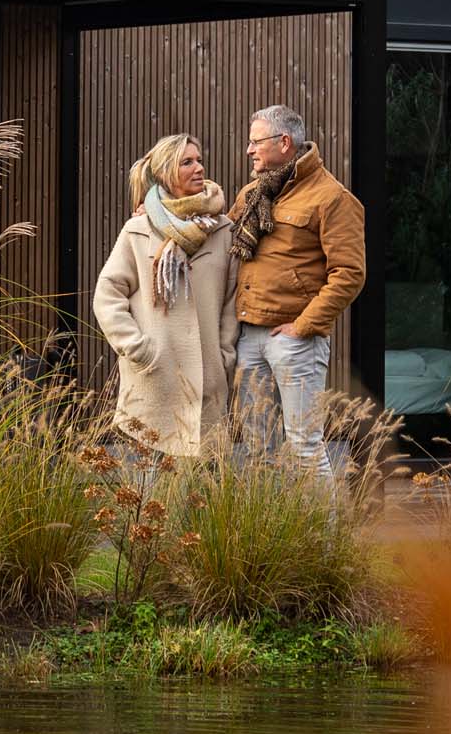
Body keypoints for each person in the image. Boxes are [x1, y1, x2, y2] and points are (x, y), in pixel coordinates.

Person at [230, 103, 365, 477]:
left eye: (256, 142)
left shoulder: (331, 198)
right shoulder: (254, 193)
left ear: (284, 142)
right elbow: (218, 234)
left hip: (295, 338)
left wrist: (303, 326)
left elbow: (349, 273)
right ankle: (270, 534)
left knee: (304, 446)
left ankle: (324, 537)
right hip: (249, 334)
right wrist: (156, 212)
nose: (250, 150)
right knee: (258, 450)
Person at [91, 132, 240, 455]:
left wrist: (224, 356)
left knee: (203, 494)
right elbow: (108, 294)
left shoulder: (223, 230)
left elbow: (230, 301)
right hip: (156, 379)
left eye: (199, 160)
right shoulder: (138, 229)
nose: (199, 167)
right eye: (187, 162)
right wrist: (138, 349)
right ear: (165, 173)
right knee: (153, 492)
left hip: (207, 383)